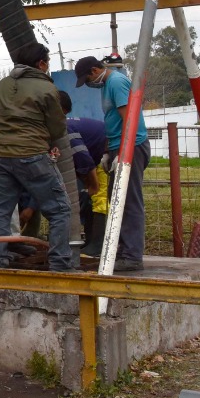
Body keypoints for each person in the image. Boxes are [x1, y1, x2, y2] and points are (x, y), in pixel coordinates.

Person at [0, 43, 75, 272]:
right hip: (32, 155)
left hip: (1, 156)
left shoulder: (1, 86)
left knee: (0, 209)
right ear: (41, 63)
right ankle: (60, 263)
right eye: (48, 63)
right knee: (59, 210)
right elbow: (57, 127)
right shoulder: (46, 88)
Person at [74, 55, 151, 272]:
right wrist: (109, 151)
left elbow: (129, 117)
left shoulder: (116, 82)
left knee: (129, 201)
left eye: (88, 78)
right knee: (115, 200)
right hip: (121, 146)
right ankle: (122, 251)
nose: (88, 84)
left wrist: (124, 152)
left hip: (132, 146)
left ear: (96, 70)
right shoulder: (105, 86)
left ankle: (133, 256)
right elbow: (112, 122)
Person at [58, 91, 108, 257]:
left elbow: (84, 159)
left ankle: (98, 246)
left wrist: (92, 185)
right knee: (89, 199)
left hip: (108, 153)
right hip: (97, 155)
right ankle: (91, 241)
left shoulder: (64, 129)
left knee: (100, 198)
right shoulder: (60, 127)